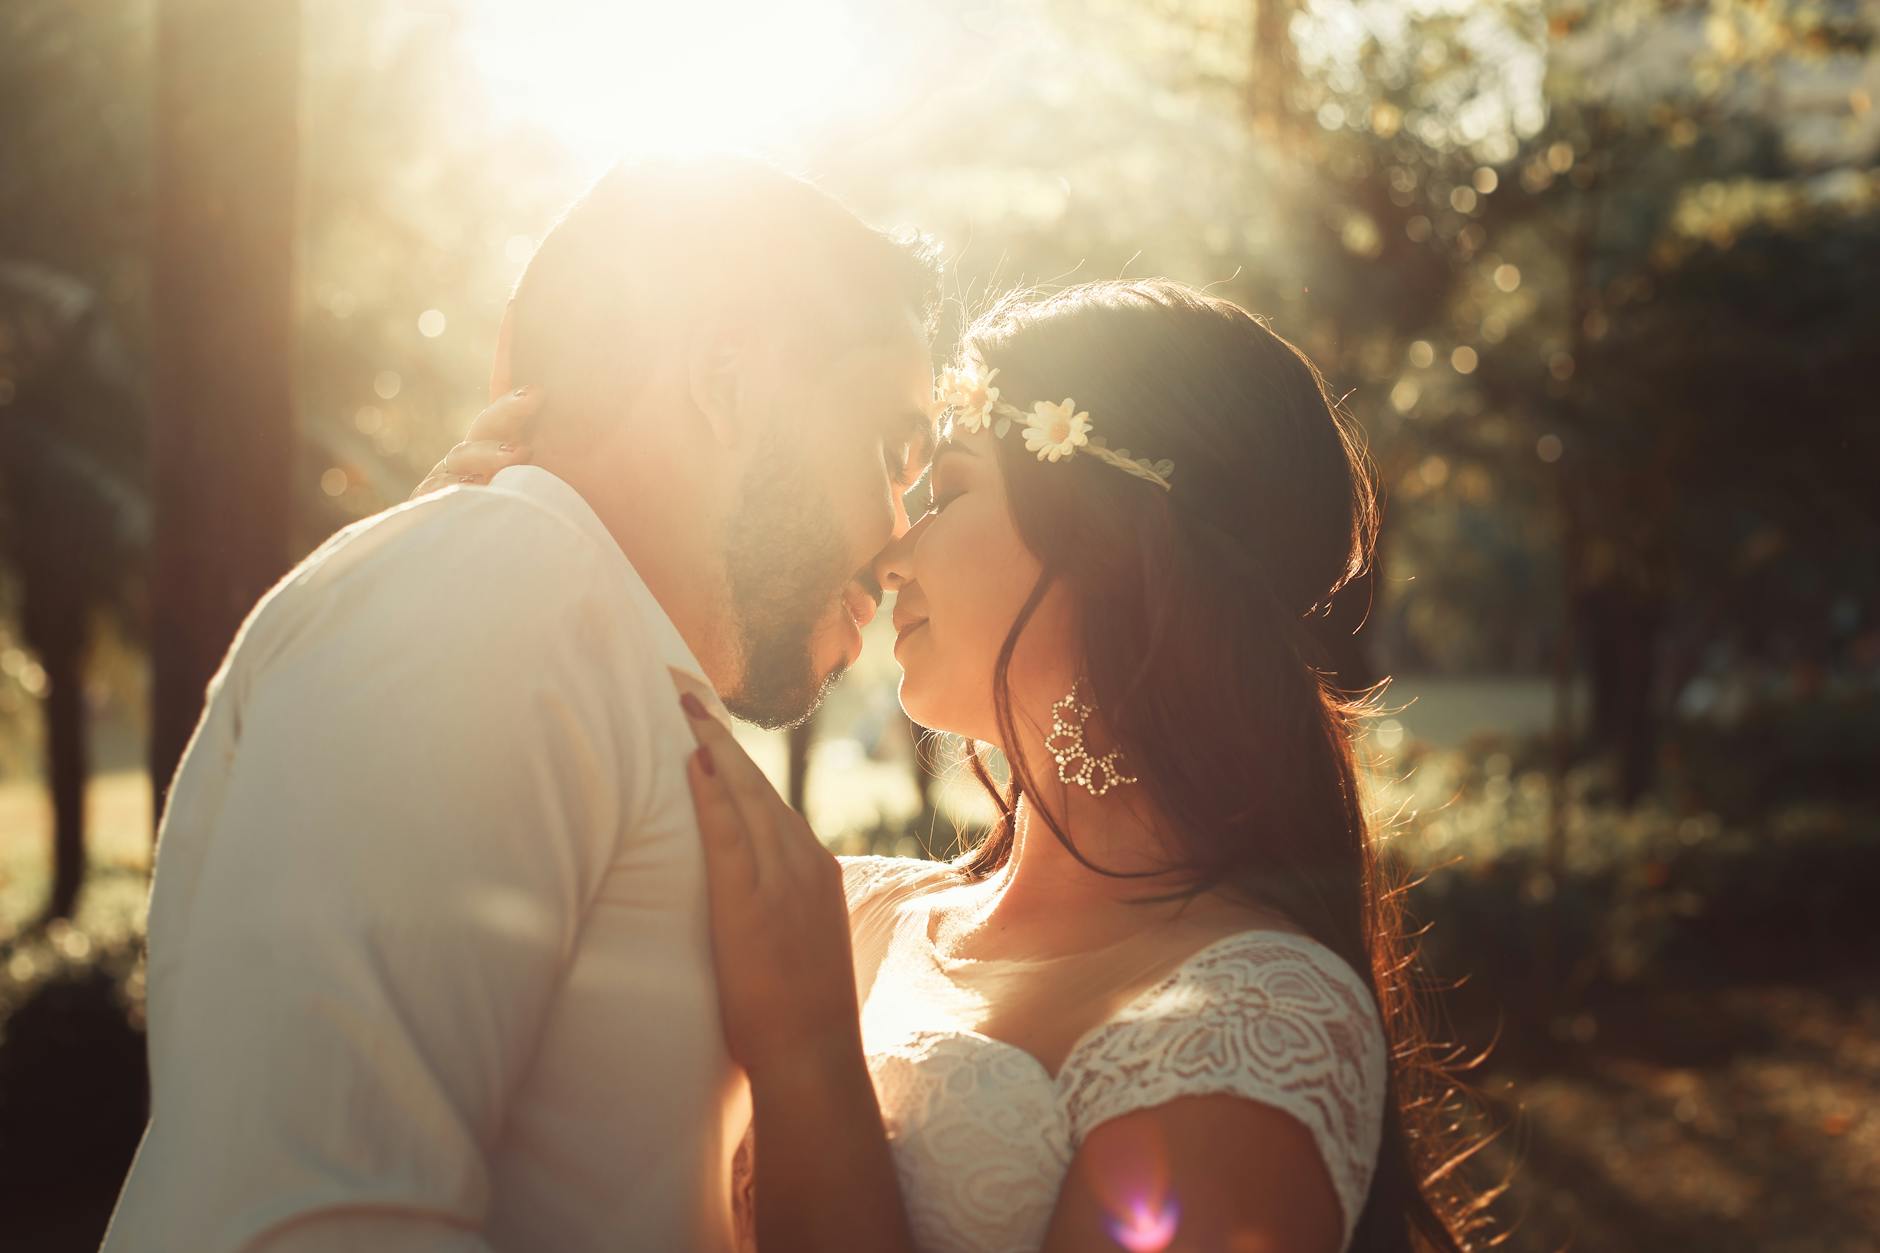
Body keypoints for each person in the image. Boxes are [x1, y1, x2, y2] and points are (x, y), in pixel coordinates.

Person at [445, 278, 1497, 1252]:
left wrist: (811, 1053)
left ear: (1110, 543)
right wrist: (470, 564)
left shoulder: (1255, 1018)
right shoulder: (841, 915)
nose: (891, 549)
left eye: (946, 491)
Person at [99, 156, 941, 1252]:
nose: (902, 532)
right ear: (728, 382)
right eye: (895, 451)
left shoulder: (556, 625)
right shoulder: (493, 589)